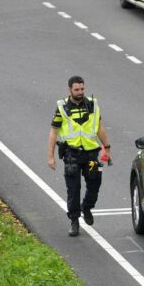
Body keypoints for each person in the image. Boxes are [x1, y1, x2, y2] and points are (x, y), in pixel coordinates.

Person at [47, 76, 110, 237]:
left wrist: (107, 148)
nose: (80, 92)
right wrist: (51, 157)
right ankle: (74, 221)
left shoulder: (93, 104)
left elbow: (99, 128)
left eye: (82, 89)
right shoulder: (62, 107)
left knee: (95, 184)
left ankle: (87, 207)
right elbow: (53, 132)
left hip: (91, 154)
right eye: (77, 90)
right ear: (70, 90)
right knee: (73, 189)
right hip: (72, 155)